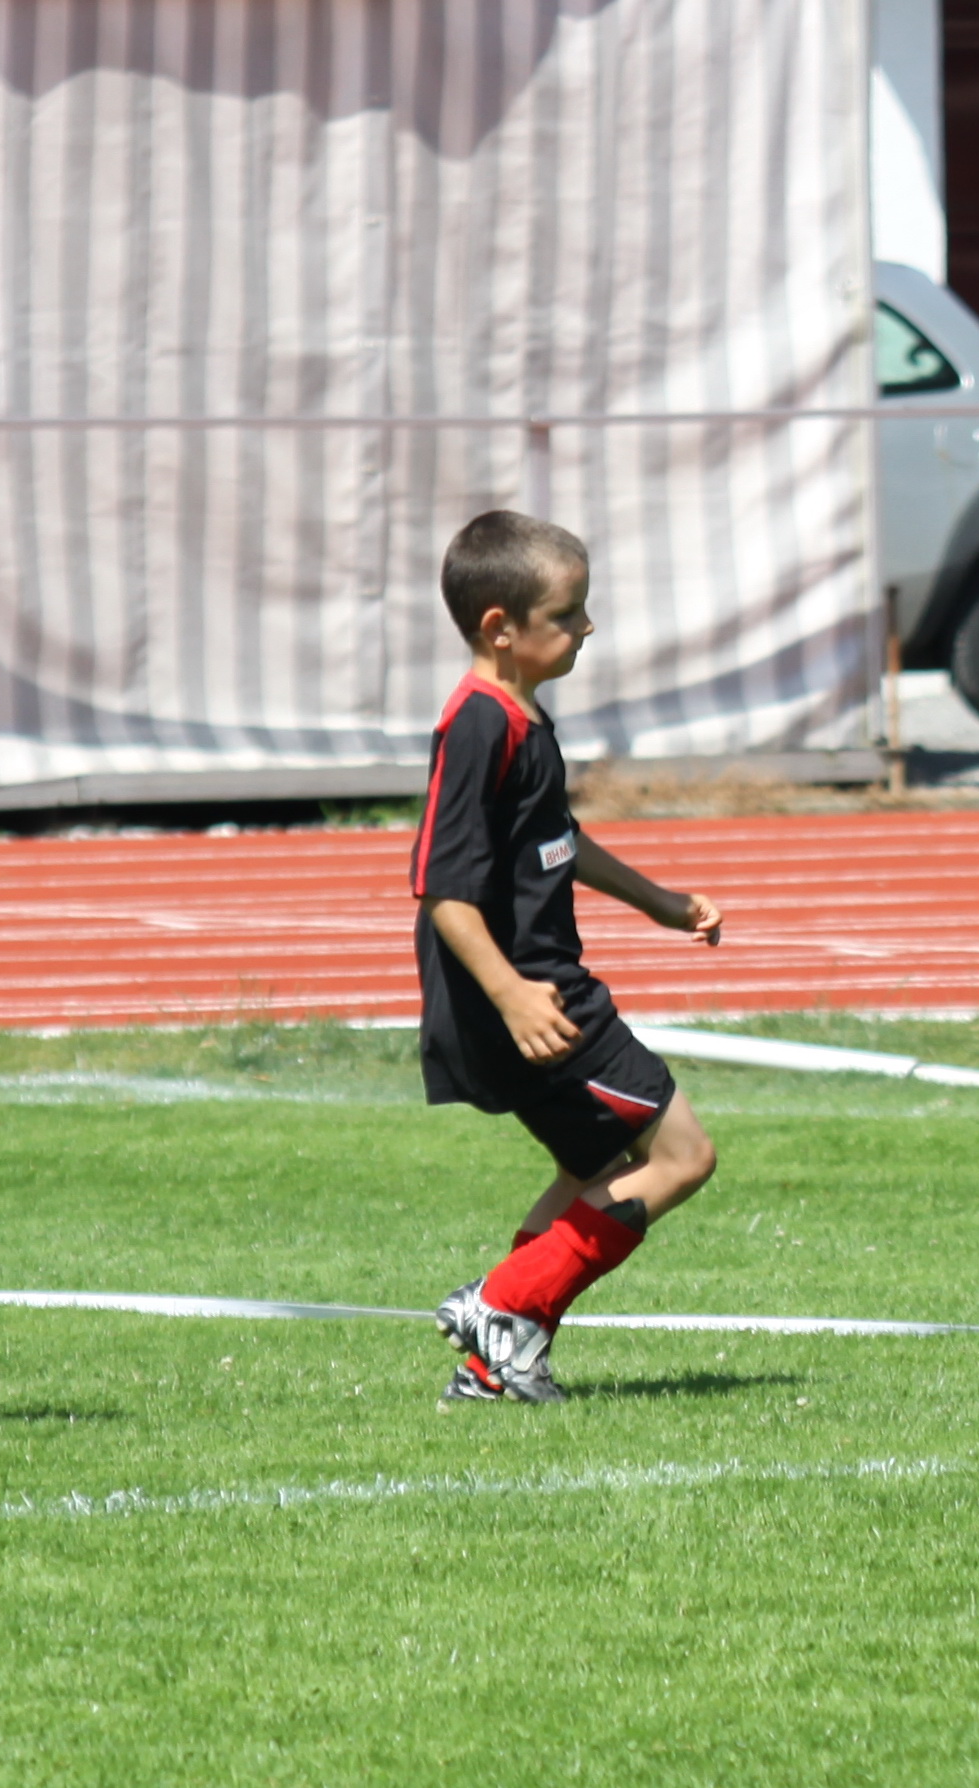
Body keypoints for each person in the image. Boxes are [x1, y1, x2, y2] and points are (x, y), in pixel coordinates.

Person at [413, 511, 724, 1403]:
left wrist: (660, 903)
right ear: (499, 628)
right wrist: (513, 994)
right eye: (566, 612)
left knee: (588, 1173)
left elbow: (557, 839)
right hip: (538, 1000)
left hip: (531, 995)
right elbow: (442, 888)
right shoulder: (478, 725)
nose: (587, 626)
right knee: (682, 1156)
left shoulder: (518, 714)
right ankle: (502, 1303)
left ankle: (498, 1366)